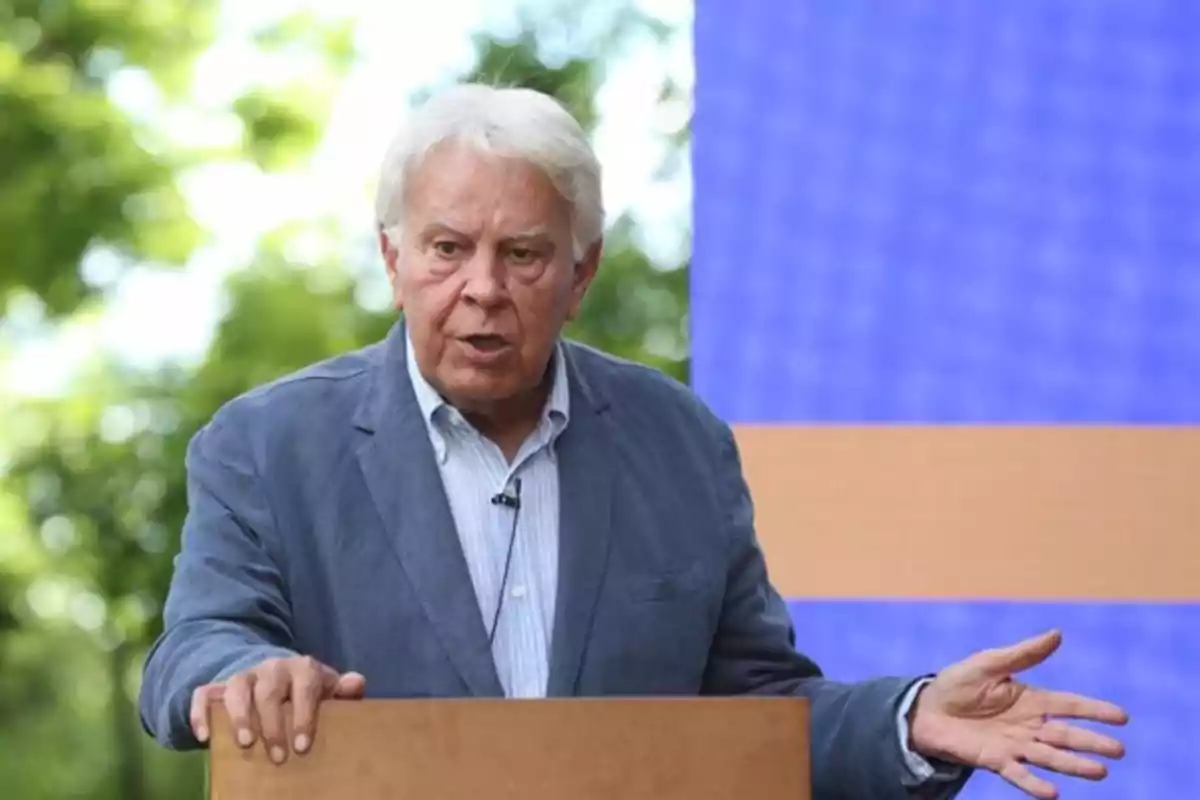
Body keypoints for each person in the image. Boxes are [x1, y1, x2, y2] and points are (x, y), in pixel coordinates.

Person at [139, 84, 1127, 800]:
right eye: (448, 249)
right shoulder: (265, 444)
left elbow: (755, 710)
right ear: (393, 257)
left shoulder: (680, 442)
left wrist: (905, 719)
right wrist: (242, 674)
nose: (482, 287)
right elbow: (192, 647)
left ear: (582, 272)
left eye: (523, 254)